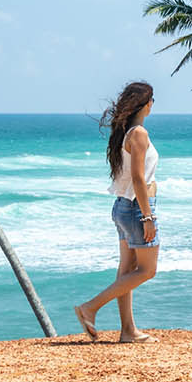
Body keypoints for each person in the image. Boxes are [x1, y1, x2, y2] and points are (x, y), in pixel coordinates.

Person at [75, 81, 160, 343]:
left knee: (127, 270)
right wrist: (148, 217)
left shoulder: (127, 133)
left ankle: (127, 331)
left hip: (123, 207)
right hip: (136, 208)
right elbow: (138, 178)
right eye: (152, 100)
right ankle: (90, 307)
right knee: (147, 271)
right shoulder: (139, 134)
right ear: (146, 104)